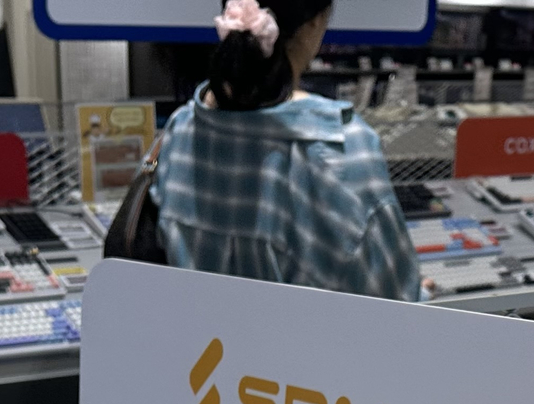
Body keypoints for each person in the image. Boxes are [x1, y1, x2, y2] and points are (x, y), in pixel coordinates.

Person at [149, 0, 422, 301]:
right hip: (306, 347)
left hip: (199, 345)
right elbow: (397, 298)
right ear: (314, 25)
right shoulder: (340, 145)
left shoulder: (181, 127)